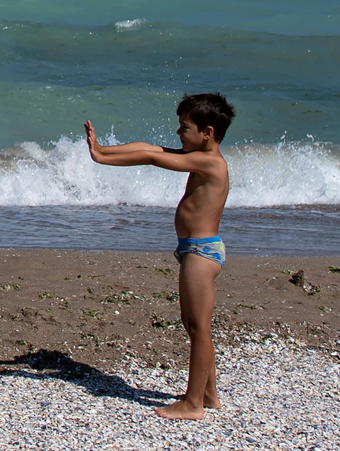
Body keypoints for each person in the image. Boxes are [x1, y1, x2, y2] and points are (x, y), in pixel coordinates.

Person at [84, 93, 235, 420]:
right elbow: (151, 149)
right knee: (193, 325)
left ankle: (193, 404)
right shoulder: (199, 156)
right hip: (193, 249)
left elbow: (153, 159)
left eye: (185, 128)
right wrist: (102, 151)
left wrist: (103, 158)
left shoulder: (211, 163)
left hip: (201, 251)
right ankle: (208, 394)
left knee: (199, 328)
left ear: (207, 133)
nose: (179, 133)